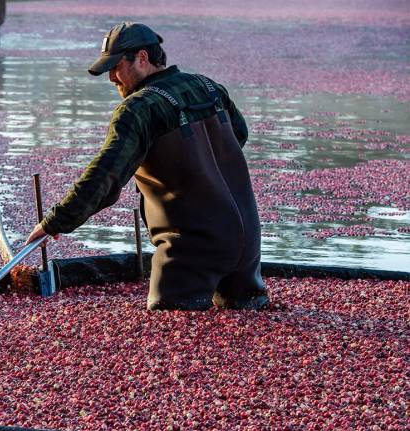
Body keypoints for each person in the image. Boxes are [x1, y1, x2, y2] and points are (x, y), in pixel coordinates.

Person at [25, 22, 269, 311]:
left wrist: (55, 222)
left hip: (192, 248)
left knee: (172, 331)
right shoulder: (208, 86)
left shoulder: (138, 109)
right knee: (244, 328)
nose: (112, 77)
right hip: (249, 243)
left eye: (116, 66)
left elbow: (106, 176)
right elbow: (238, 135)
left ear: (142, 58)